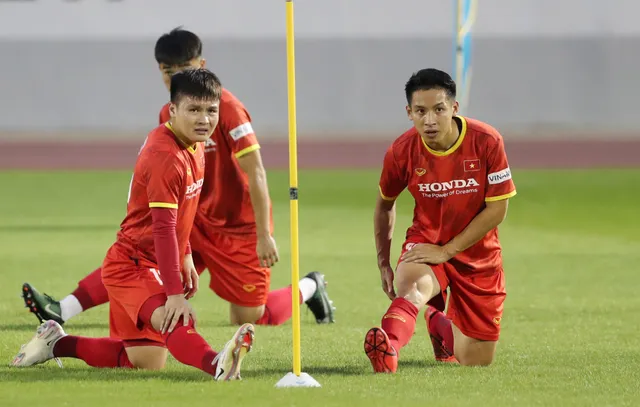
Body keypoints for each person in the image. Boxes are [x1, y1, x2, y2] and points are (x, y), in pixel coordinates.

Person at [21, 27, 334, 328]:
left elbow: (257, 171)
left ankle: (310, 286)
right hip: (194, 221)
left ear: (201, 65)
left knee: (249, 318)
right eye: (166, 69)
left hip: (237, 228)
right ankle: (63, 308)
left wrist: (264, 234)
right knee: (138, 256)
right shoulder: (170, 112)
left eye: (183, 67)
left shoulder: (226, 109)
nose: (175, 75)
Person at [13, 69, 254, 381]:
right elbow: (164, 229)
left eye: (211, 111)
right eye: (194, 110)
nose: (204, 119)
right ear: (173, 110)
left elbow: (185, 212)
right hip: (132, 265)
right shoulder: (165, 156)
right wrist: (174, 292)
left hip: (153, 260)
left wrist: (186, 255)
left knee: (143, 360)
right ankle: (218, 365)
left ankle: (55, 343)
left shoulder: (195, 145)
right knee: (174, 319)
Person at [364, 68, 517, 372]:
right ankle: (388, 350)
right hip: (426, 241)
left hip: (477, 253)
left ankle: (438, 322)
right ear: (409, 112)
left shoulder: (487, 141)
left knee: (476, 360)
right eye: (420, 111)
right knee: (412, 286)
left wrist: (448, 251)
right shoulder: (401, 151)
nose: (430, 120)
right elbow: (385, 205)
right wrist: (383, 262)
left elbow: (498, 210)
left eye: (439, 109)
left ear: (454, 108)